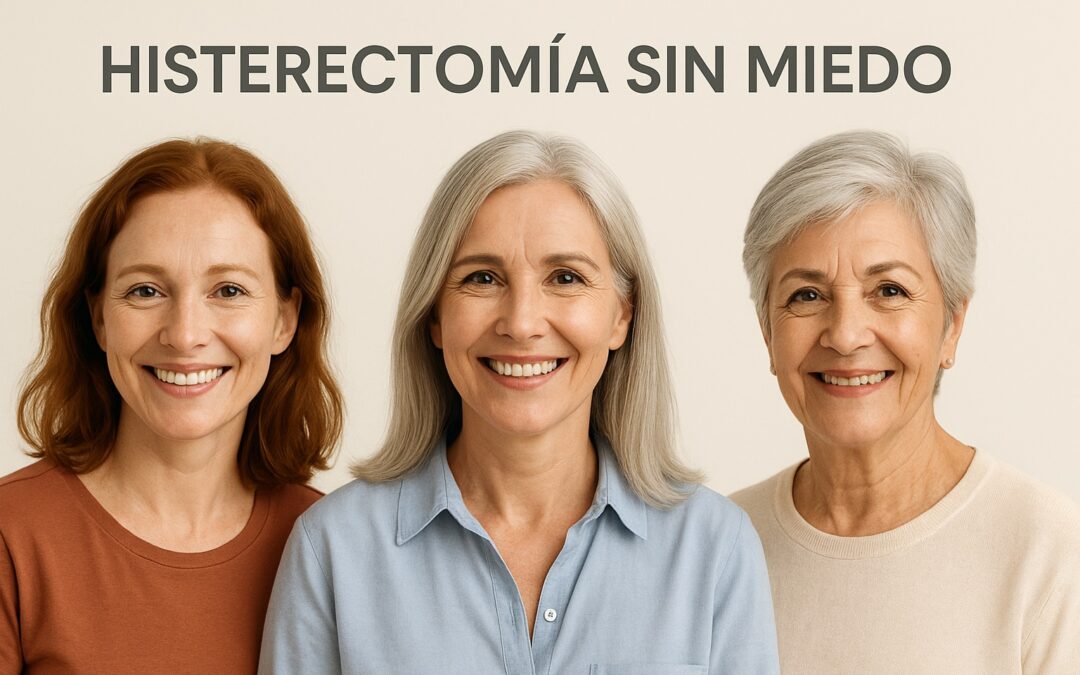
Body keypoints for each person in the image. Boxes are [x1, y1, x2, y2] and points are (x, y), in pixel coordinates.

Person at [260, 130, 779, 673]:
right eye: (482, 278)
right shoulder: (334, 550)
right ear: (435, 315)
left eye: (565, 277)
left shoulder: (715, 548)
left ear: (622, 315)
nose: (523, 323)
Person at [732, 130, 1080, 673]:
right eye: (807, 295)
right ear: (766, 333)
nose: (845, 335)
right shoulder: (715, 546)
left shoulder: (1050, 553)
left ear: (952, 327)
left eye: (889, 290)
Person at [0, 139, 343, 674]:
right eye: (144, 291)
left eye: (228, 290)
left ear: (284, 319)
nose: (184, 335)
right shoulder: (12, 535)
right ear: (98, 319)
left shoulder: (334, 545)